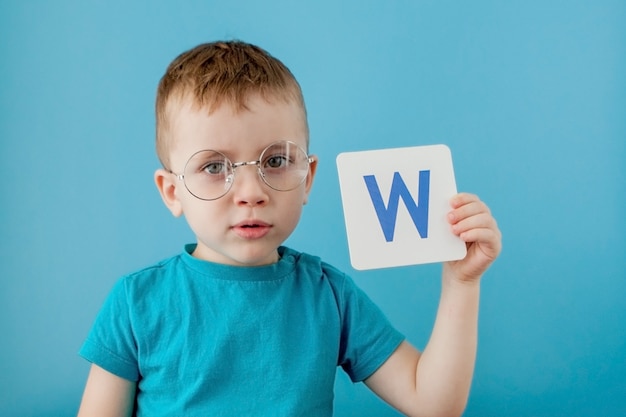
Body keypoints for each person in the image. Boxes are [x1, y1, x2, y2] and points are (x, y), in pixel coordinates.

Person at [77, 40, 502, 417]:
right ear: (172, 191)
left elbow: (434, 403)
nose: (250, 192)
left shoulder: (329, 296)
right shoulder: (136, 303)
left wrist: (462, 283)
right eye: (213, 166)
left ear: (307, 179)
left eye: (275, 161)